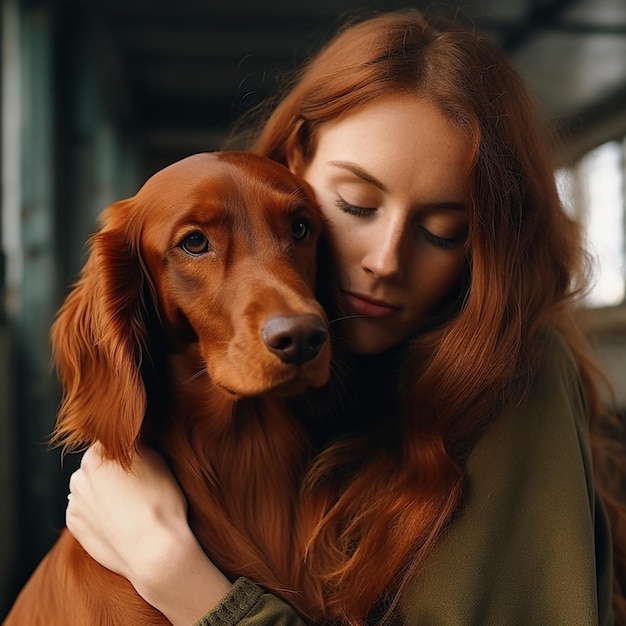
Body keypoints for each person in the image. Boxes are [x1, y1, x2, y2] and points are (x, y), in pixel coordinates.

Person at [64, 8, 626, 626]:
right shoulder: (302, 375)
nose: (385, 262)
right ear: (297, 161)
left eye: (442, 233)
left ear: (483, 246)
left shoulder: (518, 378)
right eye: (356, 206)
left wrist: (178, 576)